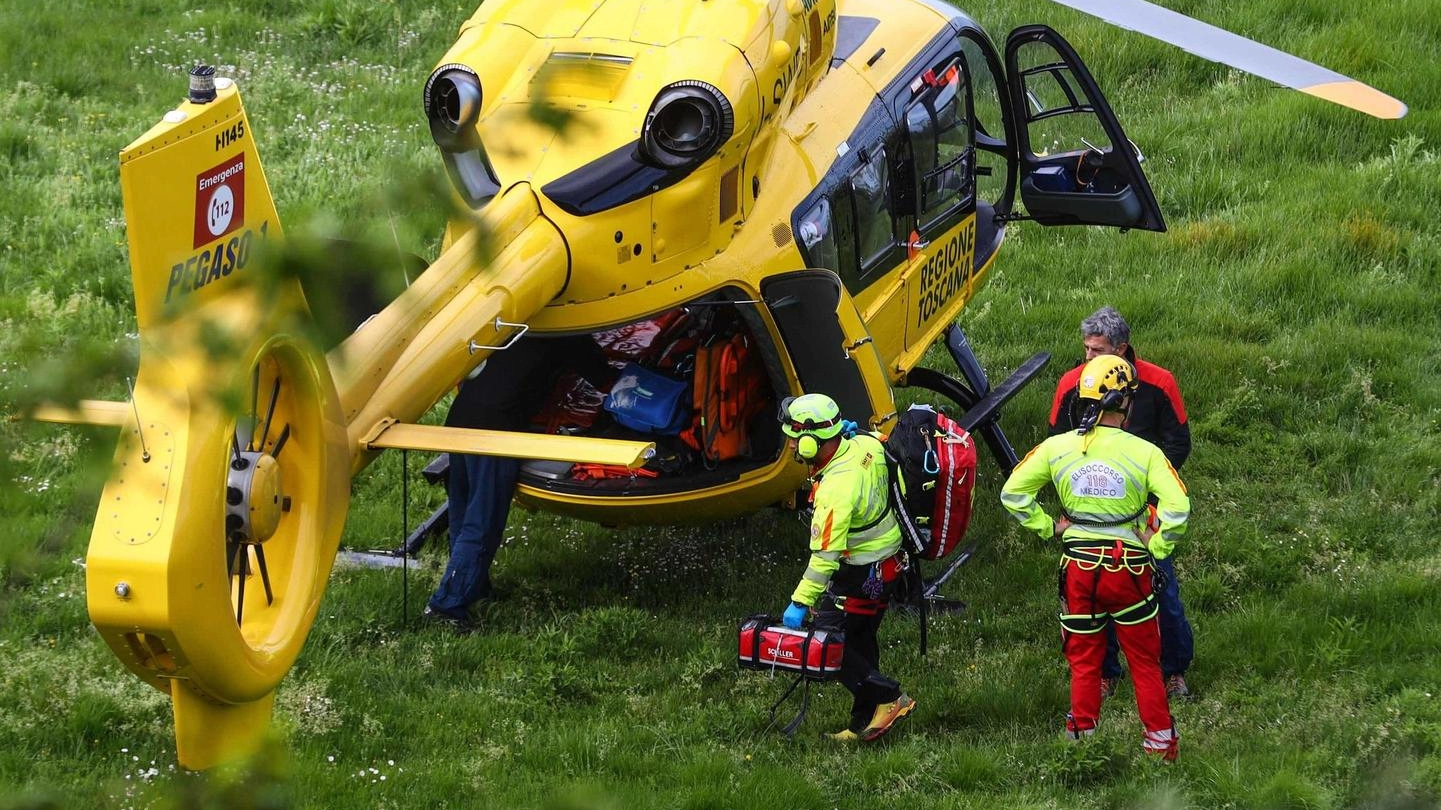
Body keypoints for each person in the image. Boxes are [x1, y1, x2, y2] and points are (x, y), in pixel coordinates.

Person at [1002, 354, 1190, 760]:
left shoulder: (1057, 447)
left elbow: (1012, 493)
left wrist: (1047, 526)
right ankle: (1159, 744)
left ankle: (1081, 742)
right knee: (1143, 660)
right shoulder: (1146, 453)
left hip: (1079, 574)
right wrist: (1157, 545)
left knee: (1084, 661)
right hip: (1130, 570)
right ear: (1126, 403)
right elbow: (1177, 507)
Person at [1049, 306, 1195, 699]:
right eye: (1086, 349)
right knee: (1093, 596)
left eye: (1097, 351)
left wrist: (1148, 493)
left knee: (1162, 590)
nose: (1088, 360)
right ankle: (1104, 673)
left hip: (1142, 511)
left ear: (1122, 349)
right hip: (1089, 512)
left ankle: (1173, 671)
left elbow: (1178, 443)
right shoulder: (1071, 384)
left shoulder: (1159, 383)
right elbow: (1055, 448)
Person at [423, 335, 614, 631]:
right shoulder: (569, 330)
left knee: (463, 513)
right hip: (495, 433)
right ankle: (446, 607)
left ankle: (472, 587)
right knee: (482, 523)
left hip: (460, 419)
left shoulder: (518, 320)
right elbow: (604, 378)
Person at [778, 393, 915, 742]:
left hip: (862, 573)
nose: (790, 444)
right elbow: (886, 447)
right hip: (888, 565)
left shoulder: (837, 489)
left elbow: (825, 557)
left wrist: (799, 603)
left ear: (809, 443)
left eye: (793, 437)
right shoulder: (862, 443)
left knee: (825, 644)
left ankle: (889, 697)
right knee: (859, 639)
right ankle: (865, 719)